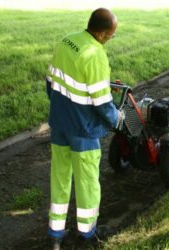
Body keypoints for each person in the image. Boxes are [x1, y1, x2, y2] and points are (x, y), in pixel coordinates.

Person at [45, 8, 123, 245]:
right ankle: (87, 234)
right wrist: (116, 118)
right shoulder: (95, 54)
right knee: (87, 181)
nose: (110, 39)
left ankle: (55, 234)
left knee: (59, 177)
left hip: (59, 124)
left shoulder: (66, 41)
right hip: (83, 130)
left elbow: (52, 84)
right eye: (110, 35)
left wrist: (62, 109)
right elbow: (101, 102)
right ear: (100, 34)